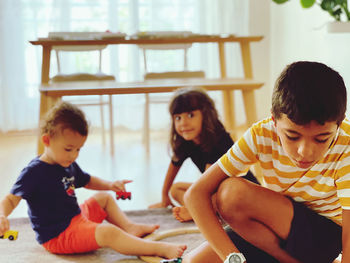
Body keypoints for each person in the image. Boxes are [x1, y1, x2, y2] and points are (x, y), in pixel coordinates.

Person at [182, 61, 348, 263]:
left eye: (321, 139)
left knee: (233, 193)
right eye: (292, 136)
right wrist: (232, 258)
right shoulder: (261, 133)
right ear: (274, 120)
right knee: (193, 261)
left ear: (338, 124)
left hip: (323, 237)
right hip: (271, 232)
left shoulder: (346, 144)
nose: (305, 152)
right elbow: (195, 194)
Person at [0, 101, 186, 259]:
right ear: (47, 140)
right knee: (108, 233)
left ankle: (129, 228)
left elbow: (87, 180)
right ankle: (158, 249)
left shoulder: (66, 162)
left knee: (103, 198)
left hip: (75, 218)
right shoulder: (34, 172)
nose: (74, 155)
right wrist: (2, 215)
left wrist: (110, 185)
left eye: (78, 149)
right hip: (58, 236)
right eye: (69, 149)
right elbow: (10, 199)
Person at [148, 87, 259, 222]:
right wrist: (164, 197)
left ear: (206, 115)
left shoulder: (218, 139)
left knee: (213, 193)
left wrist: (195, 204)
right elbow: (174, 166)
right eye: (178, 118)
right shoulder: (187, 140)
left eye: (190, 115)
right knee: (175, 189)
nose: (183, 123)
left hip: (242, 192)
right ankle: (201, 209)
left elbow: (209, 184)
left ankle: (198, 211)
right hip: (215, 191)